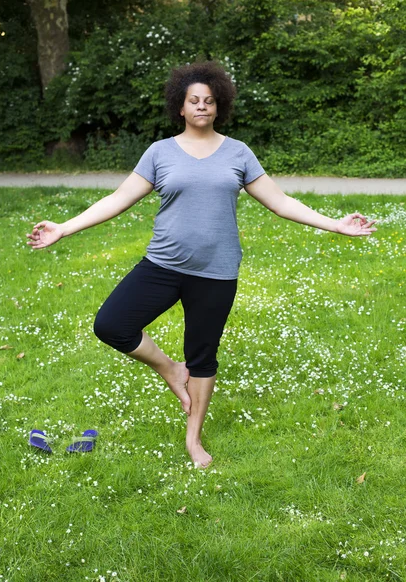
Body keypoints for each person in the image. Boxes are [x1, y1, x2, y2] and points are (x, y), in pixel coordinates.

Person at [27, 61, 377, 468]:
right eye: (194, 100)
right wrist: (63, 228)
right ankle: (171, 370)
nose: (201, 107)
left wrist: (335, 225)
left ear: (219, 106)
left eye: (209, 101)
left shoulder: (237, 152)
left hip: (216, 272)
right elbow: (117, 200)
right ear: (180, 106)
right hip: (162, 264)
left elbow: (281, 203)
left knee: (203, 355)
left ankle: (194, 440)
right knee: (111, 324)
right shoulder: (160, 152)